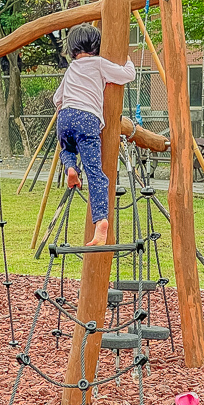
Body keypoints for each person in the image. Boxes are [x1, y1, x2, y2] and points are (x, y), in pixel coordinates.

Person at [53, 24, 135, 246]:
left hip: (66, 116)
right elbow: (128, 75)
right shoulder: (99, 64)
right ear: (97, 46)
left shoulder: (71, 69)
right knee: (96, 174)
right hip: (88, 119)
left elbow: (57, 98)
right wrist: (126, 58)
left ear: (71, 49)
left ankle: (71, 168)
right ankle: (100, 223)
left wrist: (66, 108)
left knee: (66, 148)